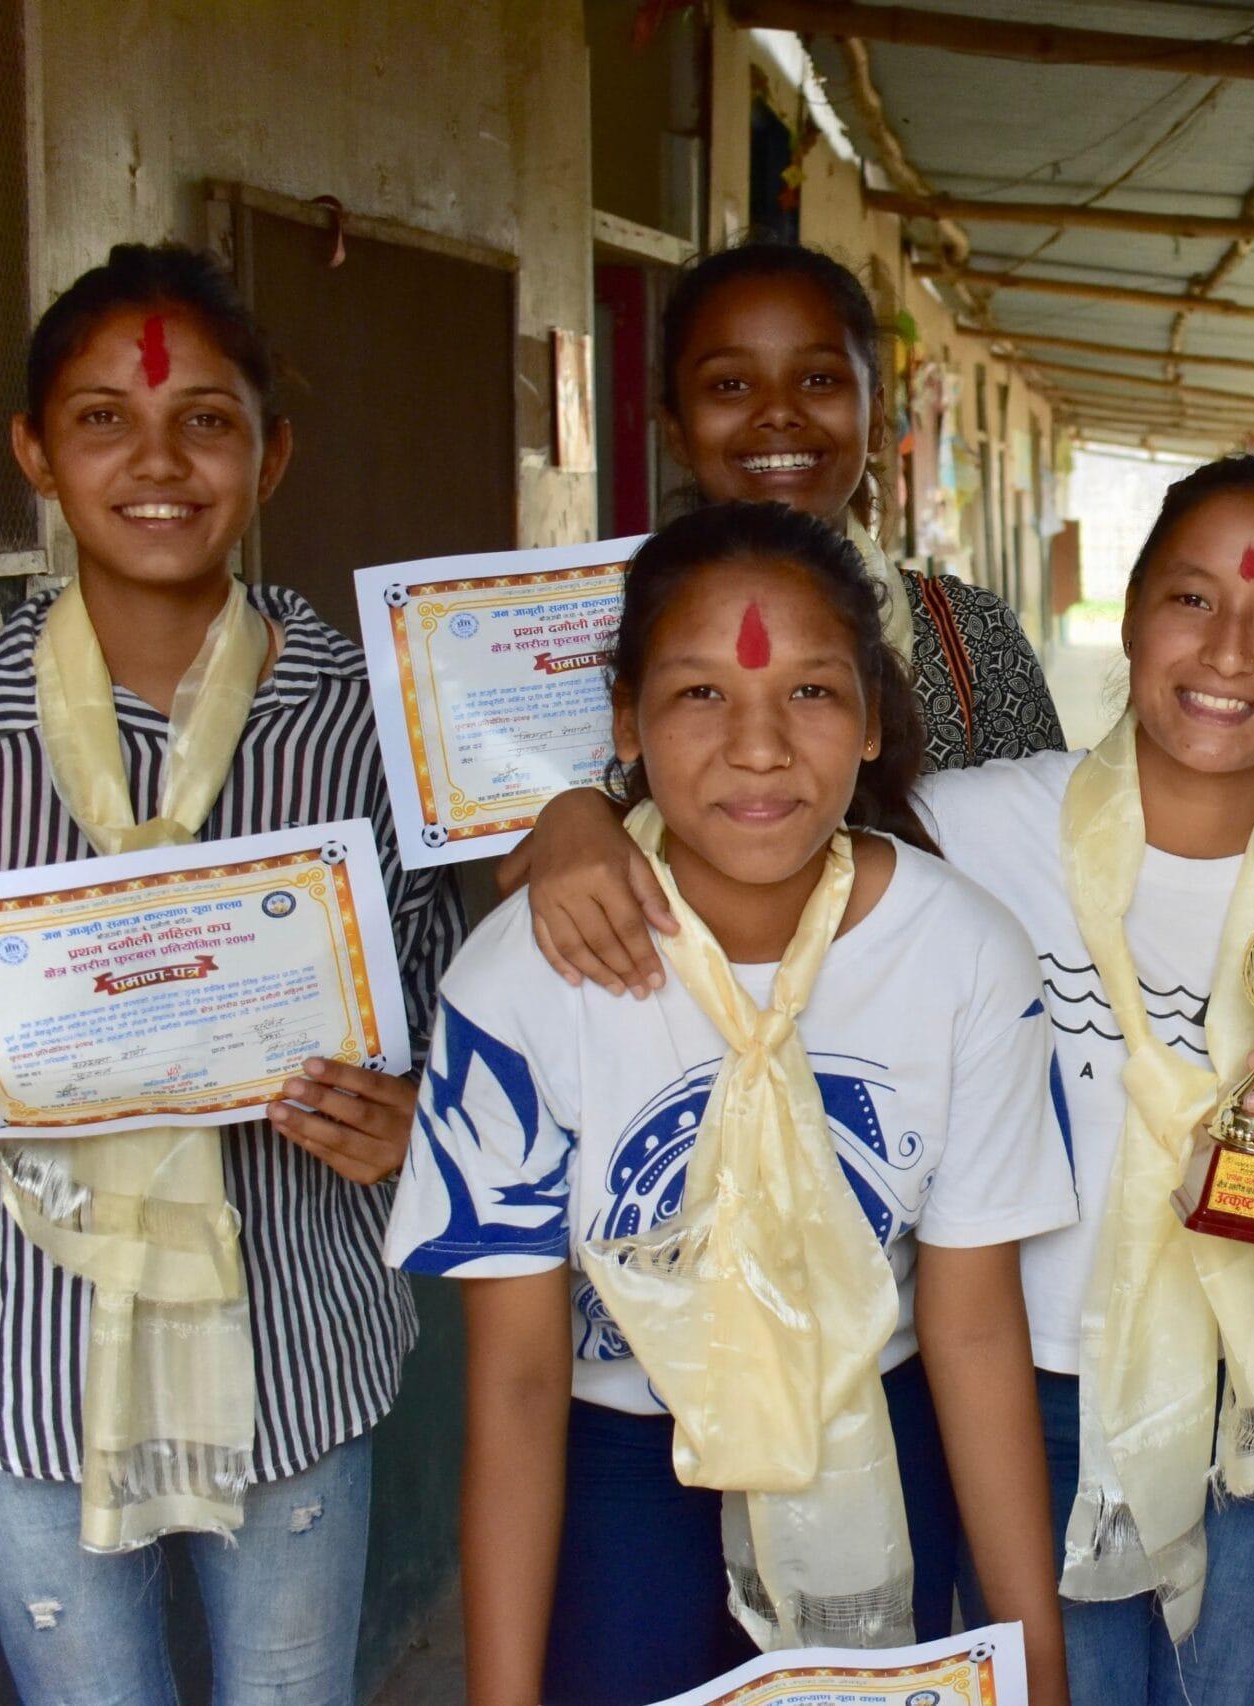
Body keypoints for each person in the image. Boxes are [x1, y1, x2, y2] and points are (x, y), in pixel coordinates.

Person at [385, 502, 1075, 1706]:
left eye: (811, 692)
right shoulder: (519, 977)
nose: (758, 747)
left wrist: (1033, 1662)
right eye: (700, 693)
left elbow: (968, 1328)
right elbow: (515, 1383)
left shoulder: (964, 952)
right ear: (624, 722)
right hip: (622, 1467)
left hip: (872, 1433)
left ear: (872, 719)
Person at [0, 242, 463, 1704]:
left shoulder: (362, 721)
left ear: (273, 451)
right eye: (104, 417)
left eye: (208, 419)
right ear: (33, 453)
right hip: (37, 1351)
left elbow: (440, 1001)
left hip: (295, 1340)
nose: (158, 459)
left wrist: (408, 1111)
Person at [900, 455, 1254, 1705]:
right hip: (1026, 1377)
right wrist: (580, 821)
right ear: (1129, 614)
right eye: (1192, 599)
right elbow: (756, 852)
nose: (1229, 651)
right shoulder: (965, 828)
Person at [508, 236, 1066, 1002]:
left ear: (878, 420)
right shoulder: (576, 650)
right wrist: (569, 814)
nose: (777, 412)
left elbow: (1056, 891)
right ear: (673, 426)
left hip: (937, 1071)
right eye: (731, 383)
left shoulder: (973, 641)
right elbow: (521, 901)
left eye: (819, 378)